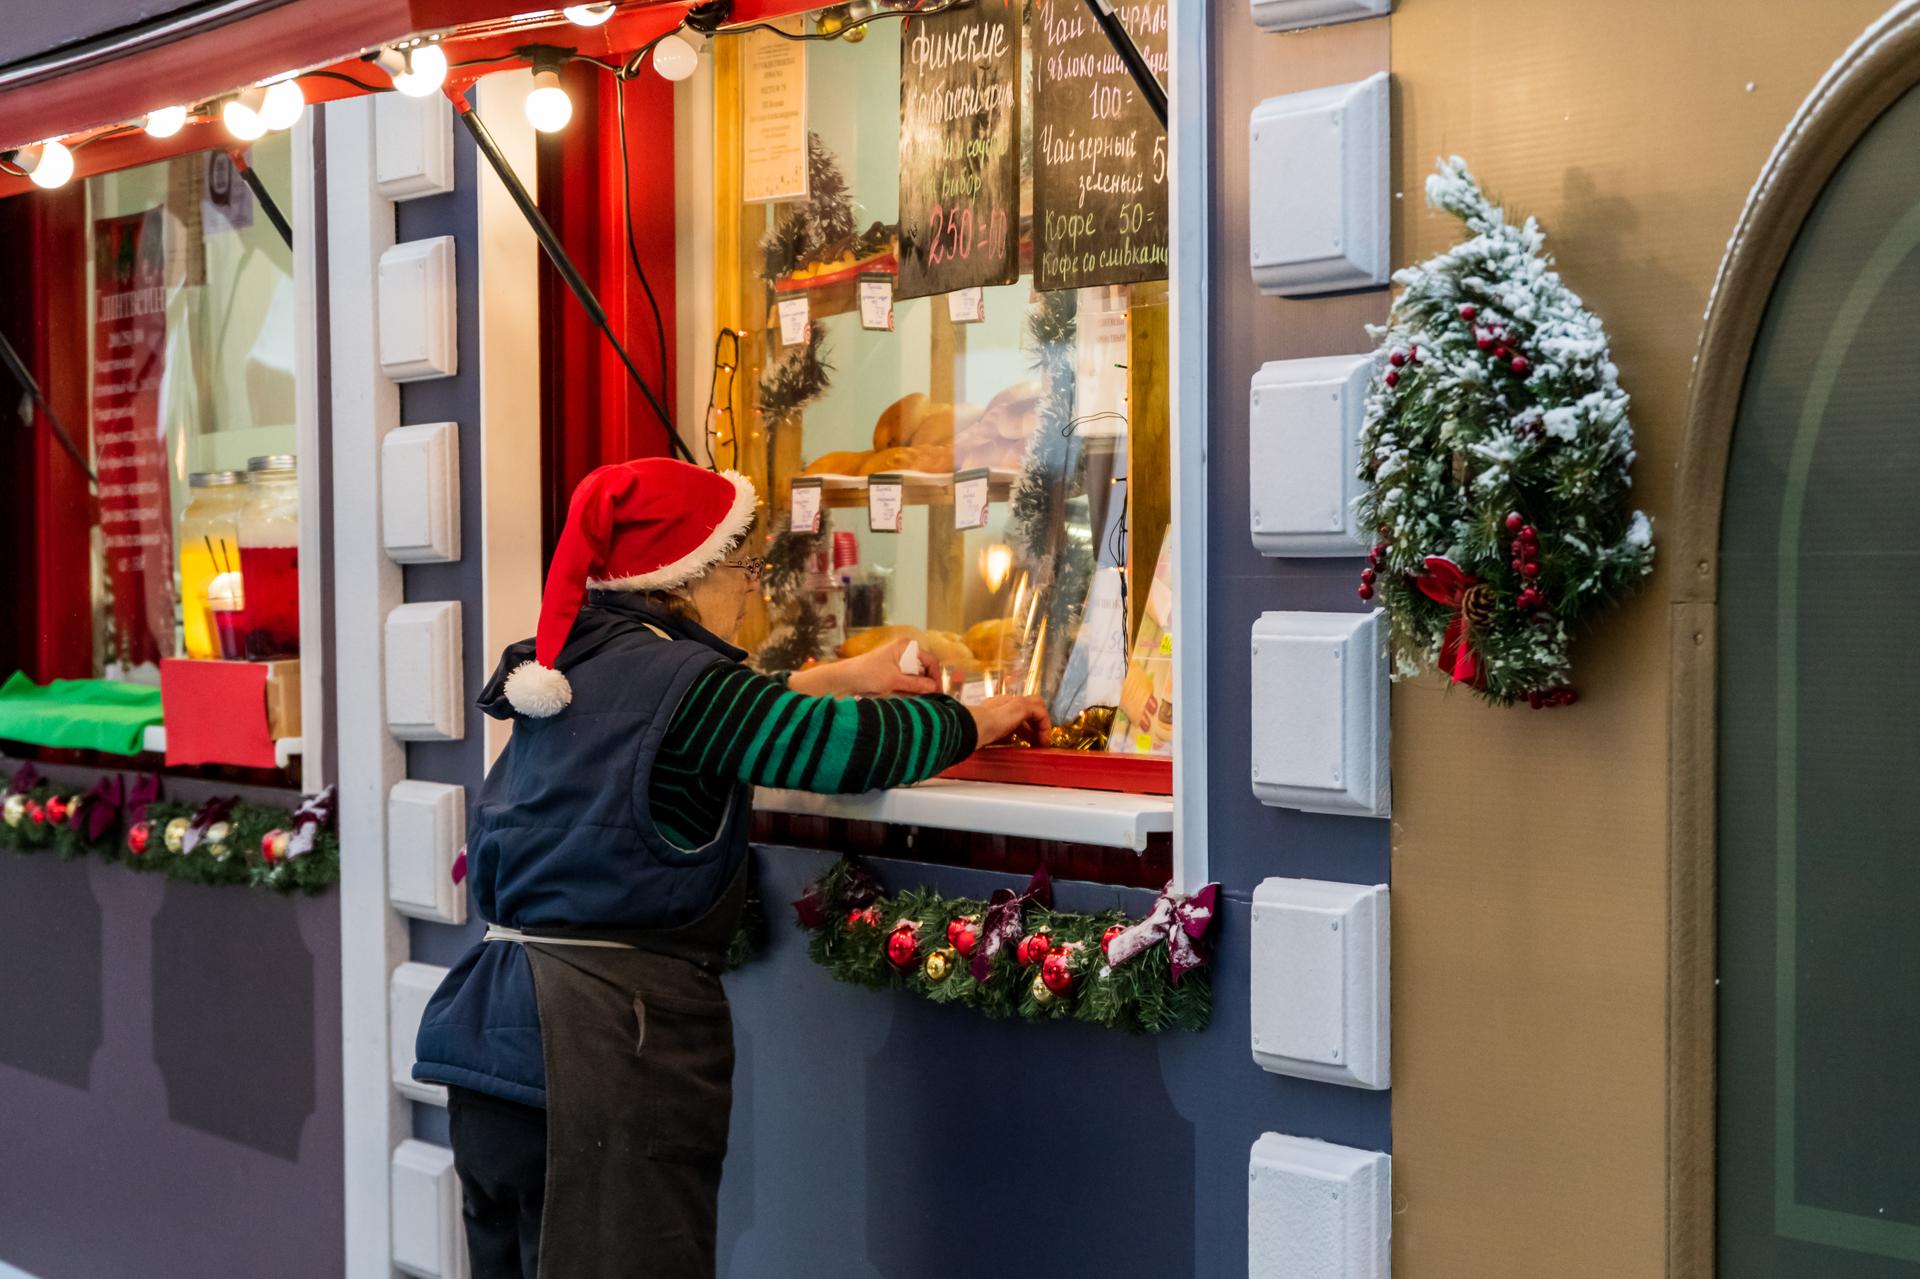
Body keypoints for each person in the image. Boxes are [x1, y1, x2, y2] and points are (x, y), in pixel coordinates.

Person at [413, 458, 1048, 1279]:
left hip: (492, 1054)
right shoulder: (684, 686)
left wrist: (851, 674)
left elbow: (718, 714)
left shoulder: (575, 663)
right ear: (685, 579)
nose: (753, 589)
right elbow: (841, 750)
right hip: (596, 1055)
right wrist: (979, 716)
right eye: (743, 568)